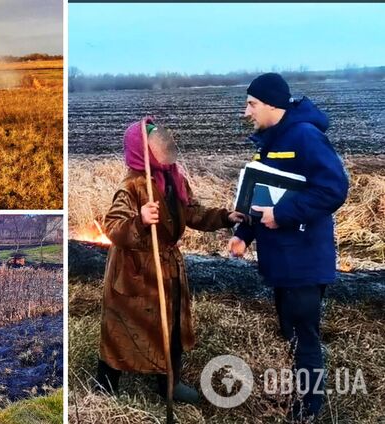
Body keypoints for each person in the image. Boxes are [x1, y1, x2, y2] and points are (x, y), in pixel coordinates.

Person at [96, 117, 246, 403]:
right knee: (122, 329)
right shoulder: (132, 185)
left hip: (166, 267)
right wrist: (139, 221)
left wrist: (224, 217)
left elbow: (192, 212)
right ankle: (105, 387)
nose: (163, 146)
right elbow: (113, 226)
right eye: (154, 142)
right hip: (134, 271)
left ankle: (169, 383)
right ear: (143, 149)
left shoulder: (174, 179)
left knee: (171, 325)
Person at [228, 73, 349, 421]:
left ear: (271, 105)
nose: (246, 111)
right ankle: (300, 397)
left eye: (251, 104)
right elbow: (264, 195)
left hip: (305, 259)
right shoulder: (270, 140)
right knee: (290, 331)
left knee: (303, 336)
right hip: (282, 259)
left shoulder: (306, 137)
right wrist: (243, 234)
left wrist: (281, 215)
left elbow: (333, 189)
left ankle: (308, 412)